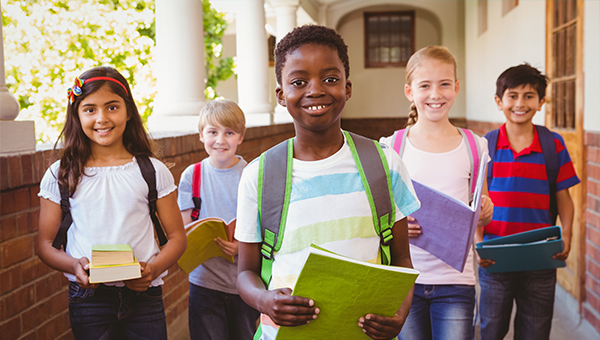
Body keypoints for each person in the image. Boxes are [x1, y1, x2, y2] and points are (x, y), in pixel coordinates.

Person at [235, 24, 421, 340]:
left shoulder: (384, 163)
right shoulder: (260, 175)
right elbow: (245, 272)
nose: (316, 90)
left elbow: (401, 257)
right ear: (281, 95)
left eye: (330, 79)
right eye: (298, 81)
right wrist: (264, 300)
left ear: (347, 88)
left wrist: (400, 311)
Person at [37, 66, 187, 340]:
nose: (102, 118)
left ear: (129, 111)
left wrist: (152, 270)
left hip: (145, 296)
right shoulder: (61, 174)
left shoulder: (152, 171)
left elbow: (177, 237)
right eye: (90, 109)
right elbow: (45, 245)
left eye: (112, 107)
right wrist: (72, 266)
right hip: (88, 299)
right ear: (77, 115)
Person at [379, 46, 494, 340]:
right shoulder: (392, 147)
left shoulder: (474, 145)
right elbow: (380, 213)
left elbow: (480, 205)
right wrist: (398, 225)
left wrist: (484, 209)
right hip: (405, 281)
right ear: (409, 91)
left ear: (456, 87)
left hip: (456, 280)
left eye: (444, 84)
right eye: (425, 85)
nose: (436, 94)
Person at [476, 63, 580, 340]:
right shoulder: (487, 145)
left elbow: (564, 198)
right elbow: (476, 201)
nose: (520, 103)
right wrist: (478, 241)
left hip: (541, 258)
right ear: (499, 102)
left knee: (535, 330)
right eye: (512, 95)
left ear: (541, 102)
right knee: (490, 328)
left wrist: (566, 234)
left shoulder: (553, 144)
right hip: (496, 258)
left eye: (529, 96)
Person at [177, 99, 259, 340]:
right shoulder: (192, 175)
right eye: (212, 132)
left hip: (244, 283)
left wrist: (241, 247)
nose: (220, 140)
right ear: (201, 135)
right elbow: (184, 230)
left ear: (241, 137)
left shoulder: (252, 175)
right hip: (204, 284)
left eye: (229, 132)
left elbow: (265, 227)